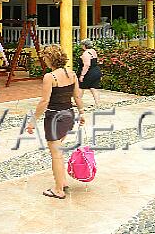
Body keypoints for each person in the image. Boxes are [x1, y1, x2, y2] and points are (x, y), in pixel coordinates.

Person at [27, 45, 85, 199]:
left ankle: (58, 189)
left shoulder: (50, 77)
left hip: (54, 119)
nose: (44, 61)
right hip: (68, 116)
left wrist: (32, 121)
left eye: (45, 58)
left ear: (49, 58)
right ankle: (63, 181)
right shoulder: (72, 74)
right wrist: (82, 113)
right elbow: (77, 96)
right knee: (58, 151)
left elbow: (44, 101)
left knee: (56, 154)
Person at [78, 39, 102, 105]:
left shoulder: (85, 54)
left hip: (89, 73)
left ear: (84, 45)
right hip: (96, 71)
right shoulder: (93, 51)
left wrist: (82, 75)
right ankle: (98, 103)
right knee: (93, 87)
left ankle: (78, 102)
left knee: (81, 87)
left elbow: (87, 65)